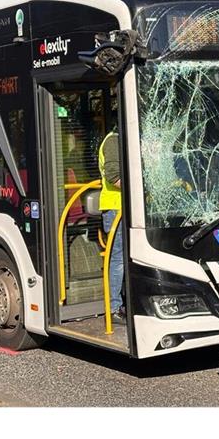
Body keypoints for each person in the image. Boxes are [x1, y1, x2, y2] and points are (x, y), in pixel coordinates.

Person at [98, 126, 125, 325]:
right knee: (118, 259)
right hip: (116, 208)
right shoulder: (113, 140)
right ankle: (114, 307)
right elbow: (114, 176)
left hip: (126, 208)